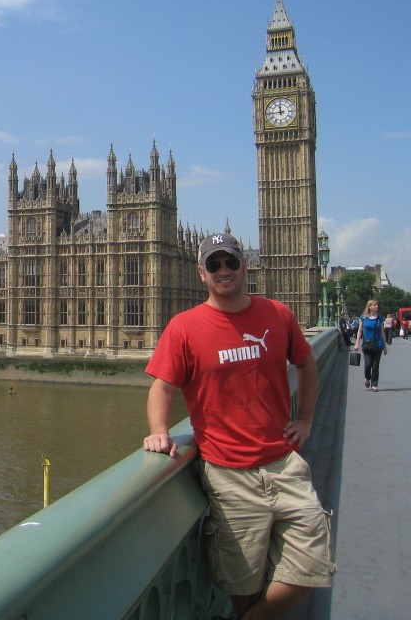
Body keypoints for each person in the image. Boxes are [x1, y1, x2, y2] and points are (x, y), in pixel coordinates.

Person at [143, 232, 334, 619]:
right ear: (202, 273)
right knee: (243, 584)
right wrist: (159, 430)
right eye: (214, 264)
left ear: (244, 266)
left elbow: (306, 364)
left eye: (230, 262)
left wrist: (305, 419)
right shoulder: (184, 327)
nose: (223, 270)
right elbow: (162, 386)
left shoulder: (278, 314)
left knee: (312, 568)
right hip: (229, 473)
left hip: (283, 462)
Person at [355, 299, 387, 391]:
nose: (376, 306)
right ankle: (367, 378)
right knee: (368, 364)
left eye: (377, 305)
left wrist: (384, 346)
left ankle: (374, 384)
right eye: (374, 305)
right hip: (367, 344)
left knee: (375, 365)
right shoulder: (363, 318)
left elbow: (382, 333)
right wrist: (357, 343)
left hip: (378, 344)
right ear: (369, 307)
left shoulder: (380, 319)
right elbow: (359, 331)